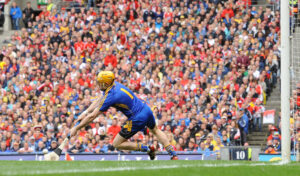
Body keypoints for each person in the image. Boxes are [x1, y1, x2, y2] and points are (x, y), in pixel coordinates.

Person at [69, 71, 178, 160]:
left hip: (137, 117)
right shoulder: (115, 85)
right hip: (146, 109)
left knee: (117, 143)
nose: (98, 85)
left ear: (106, 84)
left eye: (100, 83)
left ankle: (148, 149)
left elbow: (93, 116)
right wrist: (84, 113)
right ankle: (173, 155)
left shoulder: (111, 96)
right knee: (156, 130)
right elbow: (99, 100)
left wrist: (76, 128)